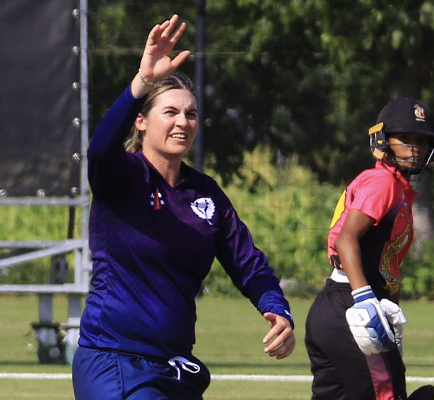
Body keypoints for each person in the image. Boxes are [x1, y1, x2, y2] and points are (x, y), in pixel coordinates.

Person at [72, 15, 295, 400]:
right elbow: (99, 148)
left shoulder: (204, 194)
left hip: (174, 366)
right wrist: (142, 82)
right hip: (113, 361)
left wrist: (278, 309)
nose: (183, 122)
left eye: (190, 114)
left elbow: (248, 263)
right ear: (140, 121)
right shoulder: (121, 177)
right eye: (170, 112)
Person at [305, 97, 434, 400]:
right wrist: (365, 299)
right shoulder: (383, 183)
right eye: (405, 139)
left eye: (421, 140)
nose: (415, 148)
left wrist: (386, 301)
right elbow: (346, 239)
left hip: (335, 308)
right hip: (351, 305)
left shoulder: (398, 188)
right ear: (383, 140)